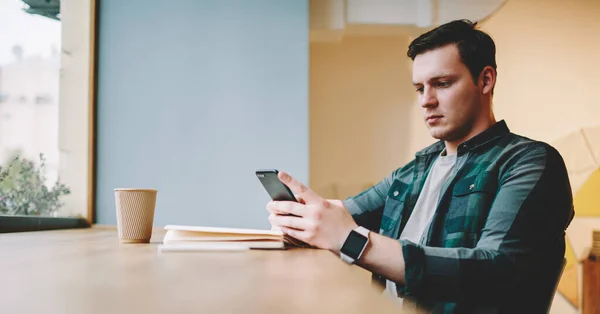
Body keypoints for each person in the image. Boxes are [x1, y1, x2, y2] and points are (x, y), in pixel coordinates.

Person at [266, 19, 574, 313]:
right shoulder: (417, 168)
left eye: (441, 83)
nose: (426, 100)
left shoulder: (529, 161)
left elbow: (493, 270)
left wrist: (351, 241)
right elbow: (343, 215)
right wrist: (303, 218)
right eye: (419, 88)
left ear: (485, 79)